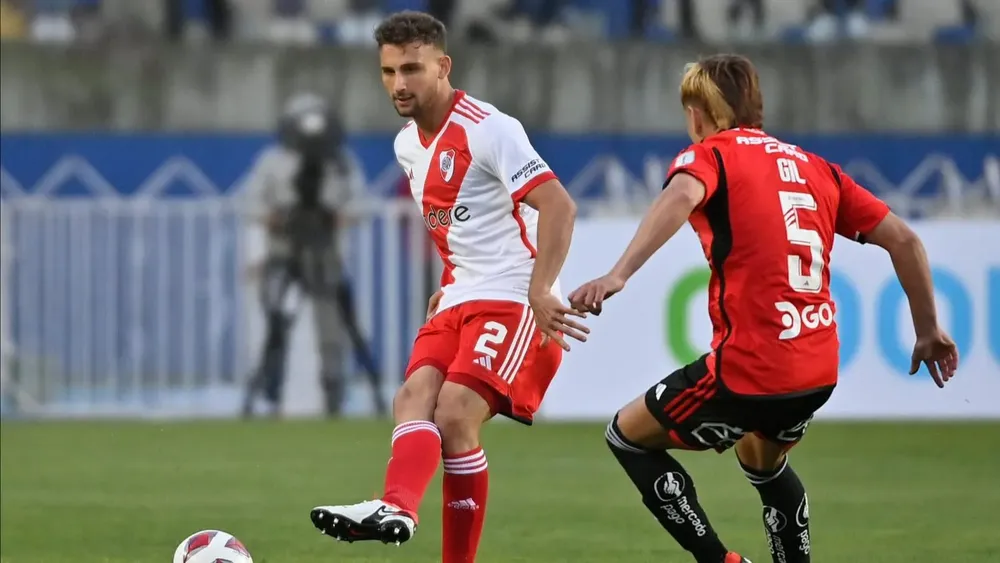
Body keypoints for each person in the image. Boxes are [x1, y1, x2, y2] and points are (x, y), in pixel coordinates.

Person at [568, 54, 959, 563]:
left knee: (626, 437)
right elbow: (905, 240)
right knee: (762, 462)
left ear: (698, 112)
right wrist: (928, 330)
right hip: (817, 369)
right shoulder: (816, 168)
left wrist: (618, 273)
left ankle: (721, 561)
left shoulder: (709, 156)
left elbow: (682, 194)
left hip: (751, 367)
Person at [308, 10, 588, 562]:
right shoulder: (406, 146)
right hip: (462, 292)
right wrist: (450, 278)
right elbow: (461, 224)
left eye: (412, 69)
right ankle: (396, 508)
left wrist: (542, 287)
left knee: (456, 412)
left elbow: (559, 204)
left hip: (512, 293)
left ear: (444, 66)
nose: (399, 84)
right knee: (411, 398)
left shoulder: (490, 129)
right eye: (388, 72)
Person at [243, 93, 366, 418]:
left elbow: (359, 203)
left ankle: (334, 396)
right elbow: (251, 201)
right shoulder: (273, 161)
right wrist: (275, 217)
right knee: (276, 321)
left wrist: (335, 216)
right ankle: (270, 393)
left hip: (325, 253)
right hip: (283, 252)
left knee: (332, 328)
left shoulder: (339, 161)